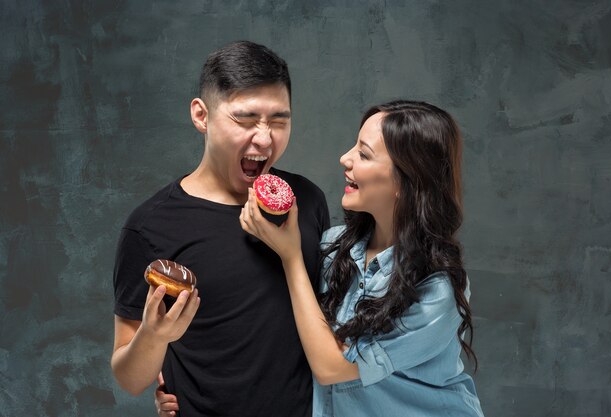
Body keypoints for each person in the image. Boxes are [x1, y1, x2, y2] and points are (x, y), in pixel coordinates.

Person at [111, 41, 329, 417]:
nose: (265, 138)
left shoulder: (306, 201)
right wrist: (154, 337)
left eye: (279, 120)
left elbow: (331, 329)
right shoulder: (149, 227)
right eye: (245, 120)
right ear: (201, 116)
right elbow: (130, 378)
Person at [237, 100, 484, 416]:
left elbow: (333, 368)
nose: (345, 158)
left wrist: (291, 258)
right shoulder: (333, 246)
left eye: (364, 154)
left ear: (405, 181)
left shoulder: (438, 290)